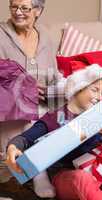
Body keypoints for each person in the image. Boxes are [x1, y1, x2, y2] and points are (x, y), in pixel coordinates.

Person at [6, 64, 102, 200]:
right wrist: (13, 147)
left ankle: (97, 196)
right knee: (82, 178)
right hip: (69, 177)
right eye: (95, 90)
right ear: (78, 88)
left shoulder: (98, 117)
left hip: (100, 172)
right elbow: (25, 139)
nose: (99, 97)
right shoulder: (55, 117)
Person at [0, 0, 64, 197]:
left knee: (59, 111)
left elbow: (54, 75)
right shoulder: (1, 34)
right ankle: (36, 172)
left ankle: (39, 169)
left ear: (38, 11)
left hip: (41, 103)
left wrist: (56, 91)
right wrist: (26, 89)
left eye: (24, 8)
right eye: (13, 7)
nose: (18, 12)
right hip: (9, 104)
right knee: (26, 115)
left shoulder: (46, 37)